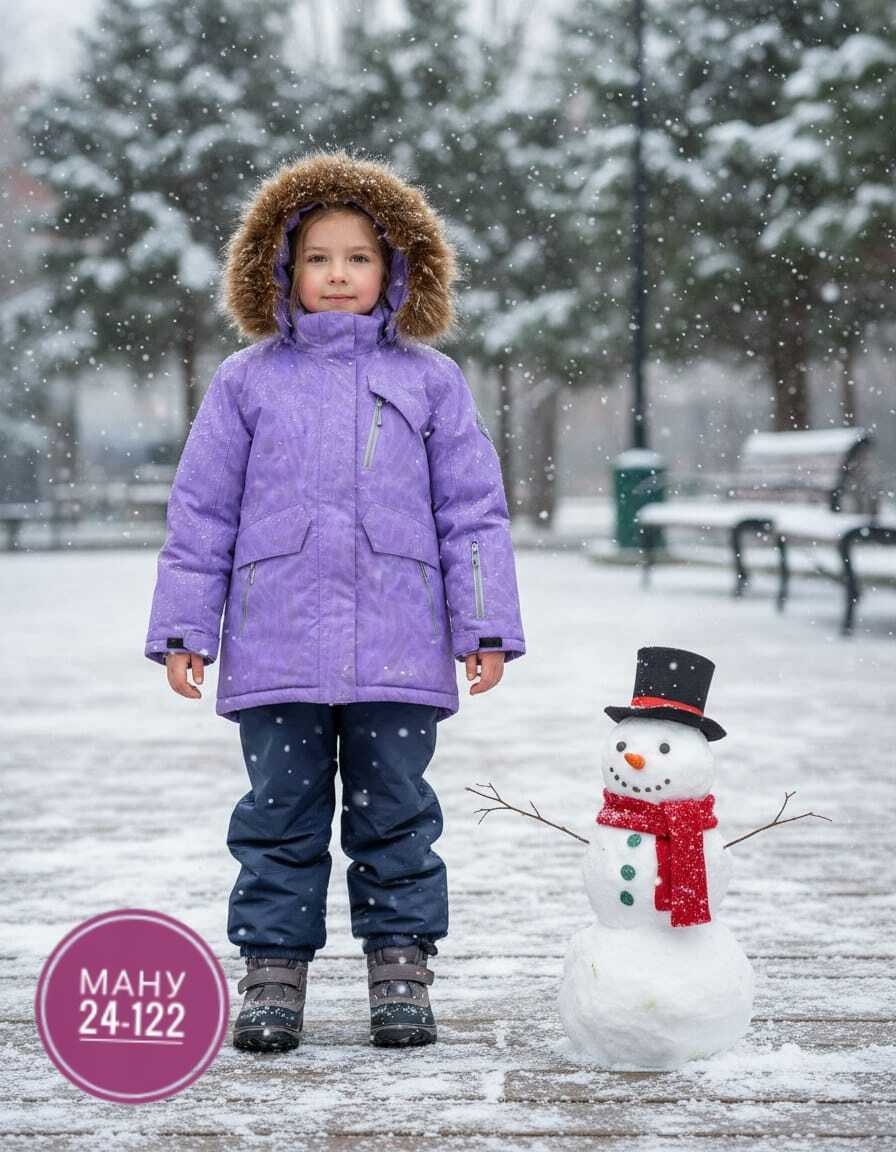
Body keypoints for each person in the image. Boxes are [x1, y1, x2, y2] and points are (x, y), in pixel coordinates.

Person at [144, 149, 527, 1053]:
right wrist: (184, 628)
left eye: (359, 257)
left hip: (398, 639)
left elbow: (472, 512)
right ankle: (274, 968)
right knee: (279, 812)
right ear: (281, 269)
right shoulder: (247, 382)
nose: (340, 274)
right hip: (279, 640)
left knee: (396, 809)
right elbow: (203, 510)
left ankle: (401, 964)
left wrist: (484, 625)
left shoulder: (430, 381)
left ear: (395, 269)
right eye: (319, 257)